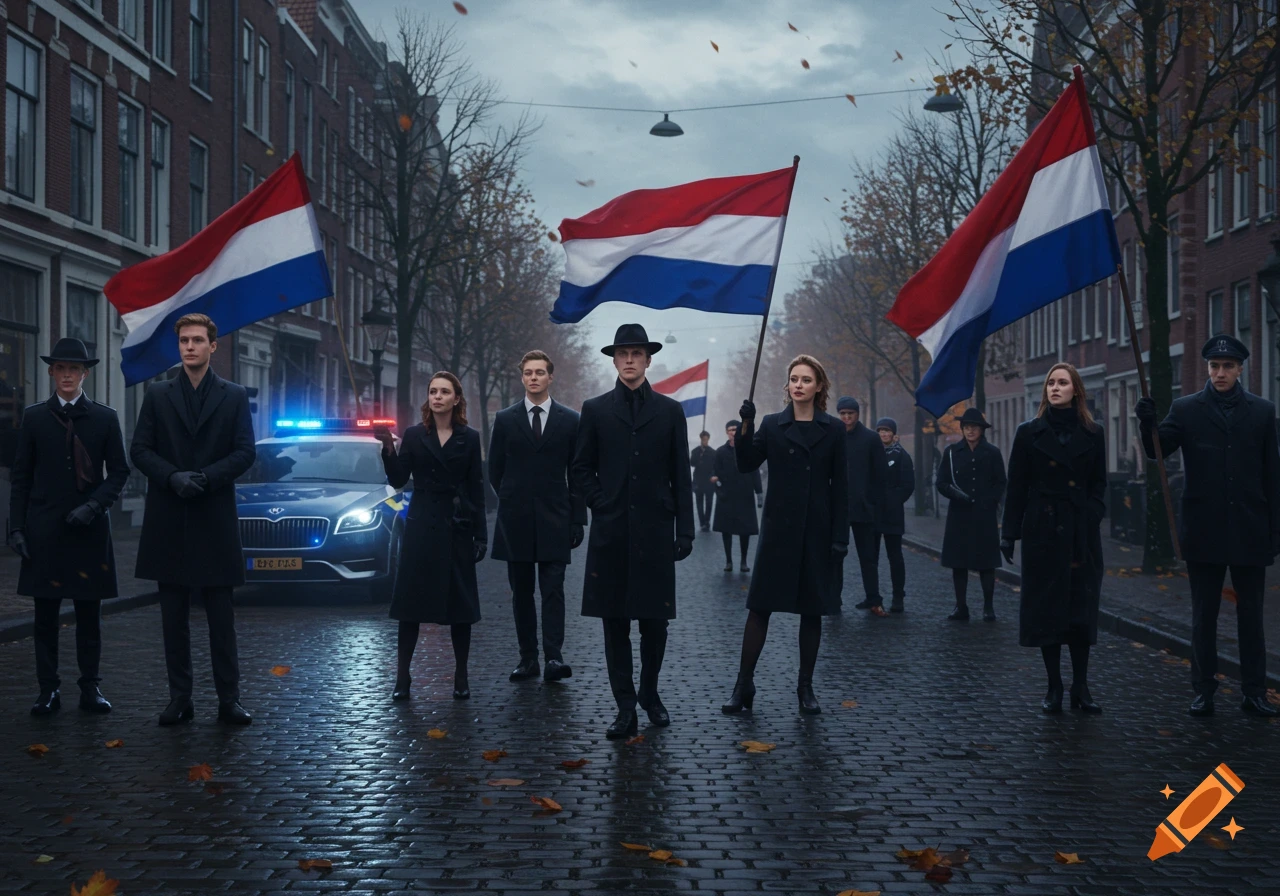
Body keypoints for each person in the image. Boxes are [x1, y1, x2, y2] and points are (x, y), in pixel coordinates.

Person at [1136, 335, 1280, 718]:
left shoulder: (1262, 412)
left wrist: (1274, 532)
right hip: (1204, 529)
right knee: (1204, 615)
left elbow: (1273, 476)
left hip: (1250, 528)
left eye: (1227, 366)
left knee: (1251, 615)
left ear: (1240, 369)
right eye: (1215, 366)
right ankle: (1203, 690)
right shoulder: (1186, 409)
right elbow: (1156, 450)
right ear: (1208, 368)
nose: (1220, 373)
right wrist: (1146, 422)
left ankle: (1254, 691)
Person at [130, 314, 256, 726]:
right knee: (173, 619)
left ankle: (229, 699)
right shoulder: (158, 394)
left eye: (198, 340)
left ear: (212, 346)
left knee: (222, 619)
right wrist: (172, 477)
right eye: (184, 340)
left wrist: (207, 477)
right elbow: (140, 449)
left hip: (214, 516)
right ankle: (179, 698)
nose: (189, 346)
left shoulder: (234, 395)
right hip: (169, 516)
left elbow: (245, 451)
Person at [572, 324, 695, 739]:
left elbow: (681, 474)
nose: (629, 360)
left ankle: (649, 692)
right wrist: (600, 501)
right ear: (613, 360)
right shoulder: (595, 409)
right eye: (622, 353)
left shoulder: (670, 411)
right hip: (611, 532)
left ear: (648, 360)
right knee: (615, 622)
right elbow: (580, 467)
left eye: (636, 353)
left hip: (656, 530)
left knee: (655, 622)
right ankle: (625, 706)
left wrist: (685, 529)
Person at [7, 339, 129, 715]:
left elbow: (119, 472)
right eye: (60, 368)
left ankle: (90, 687)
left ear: (84, 374)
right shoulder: (34, 418)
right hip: (43, 531)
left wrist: (93, 506)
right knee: (45, 617)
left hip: (88, 532)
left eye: (73, 369)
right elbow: (21, 478)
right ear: (51, 372)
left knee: (89, 615)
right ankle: (48, 690)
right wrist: (16, 529)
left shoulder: (105, 418)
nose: (66, 375)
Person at [723, 354, 848, 715]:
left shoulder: (833, 429)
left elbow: (841, 486)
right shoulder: (772, 424)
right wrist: (746, 425)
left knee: (812, 611)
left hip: (816, 531)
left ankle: (805, 688)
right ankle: (743, 684)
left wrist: (840, 536)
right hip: (778, 531)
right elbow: (746, 463)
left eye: (806, 380)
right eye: (794, 379)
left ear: (819, 386)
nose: (798, 385)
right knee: (759, 608)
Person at [1001, 363, 1107, 713]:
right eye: (1050, 383)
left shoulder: (1093, 432)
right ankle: (1054, 686)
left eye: (1062, 382)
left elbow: (1099, 483)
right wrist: (1009, 533)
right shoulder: (1028, 433)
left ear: (1076, 390)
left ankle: (1081, 685)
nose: (1055, 388)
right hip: (1042, 531)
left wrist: (1091, 513)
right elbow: (1016, 486)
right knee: (1046, 611)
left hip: (1080, 532)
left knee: (1080, 609)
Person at [376, 371, 486, 702]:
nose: (437, 397)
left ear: (456, 398)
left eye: (444, 392)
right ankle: (402, 676)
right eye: (433, 391)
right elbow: (398, 480)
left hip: (456, 525)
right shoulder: (413, 435)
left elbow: (476, 488)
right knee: (410, 605)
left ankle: (461, 675)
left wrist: (480, 534)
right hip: (422, 524)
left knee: (460, 607)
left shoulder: (470, 437)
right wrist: (388, 450)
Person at [488, 350, 585, 684]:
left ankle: (554, 657)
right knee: (522, 592)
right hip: (515, 519)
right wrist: (512, 498)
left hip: (556, 518)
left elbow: (577, 472)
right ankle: (527, 658)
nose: (533, 377)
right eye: (528, 372)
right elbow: (495, 469)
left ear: (550, 377)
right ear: (522, 377)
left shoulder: (570, 420)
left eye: (539, 372)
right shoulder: (505, 419)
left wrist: (577, 518)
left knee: (553, 590)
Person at [936, 408, 1006, 622]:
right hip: (959, 515)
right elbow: (941, 482)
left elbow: (1001, 482)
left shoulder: (992, 453)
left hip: (984, 516)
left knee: (986, 563)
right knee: (959, 563)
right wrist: (956, 495)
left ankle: (988, 607)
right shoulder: (951, 453)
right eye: (966, 427)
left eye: (974, 427)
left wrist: (990, 501)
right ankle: (961, 606)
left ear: (981, 430)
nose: (970, 431)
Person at [838, 397, 889, 615]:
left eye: (850, 414)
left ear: (857, 414)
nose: (846, 418)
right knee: (835, 556)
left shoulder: (871, 438)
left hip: (864, 508)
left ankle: (873, 598)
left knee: (868, 557)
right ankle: (834, 599)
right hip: (839, 507)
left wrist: (872, 502)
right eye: (843, 414)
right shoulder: (834, 437)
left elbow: (881, 474)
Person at [873, 418, 915, 613]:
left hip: (892, 513)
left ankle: (898, 596)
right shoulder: (872, 453)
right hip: (873, 512)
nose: (883, 434)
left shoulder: (902, 456)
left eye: (887, 430)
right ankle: (873, 596)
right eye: (880, 430)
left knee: (895, 556)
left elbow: (908, 485)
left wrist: (893, 501)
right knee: (871, 557)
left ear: (893, 434)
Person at [711, 419, 762, 572]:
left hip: (745, 496)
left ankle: (744, 561)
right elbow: (715, 472)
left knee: (744, 531)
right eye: (731, 430)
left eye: (736, 429)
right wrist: (718, 488)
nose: (733, 433)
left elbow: (754, 472)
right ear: (727, 432)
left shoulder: (748, 450)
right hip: (726, 496)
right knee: (726, 530)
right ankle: (729, 561)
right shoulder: (720, 452)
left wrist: (759, 493)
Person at [690, 431, 717, 532]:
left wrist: (713, 476)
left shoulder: (713, 452)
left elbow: (715, 467)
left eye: (706, 439)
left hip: (709, 481)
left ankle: (707, 522)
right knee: (699, 503)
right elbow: (692, 463)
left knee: (709, 503)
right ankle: (702, 522)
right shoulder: (695, 451)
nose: (704, 441)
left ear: (708, 439)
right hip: (698, 481)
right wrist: (699, 456)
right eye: (703, 439)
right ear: (701, 439)